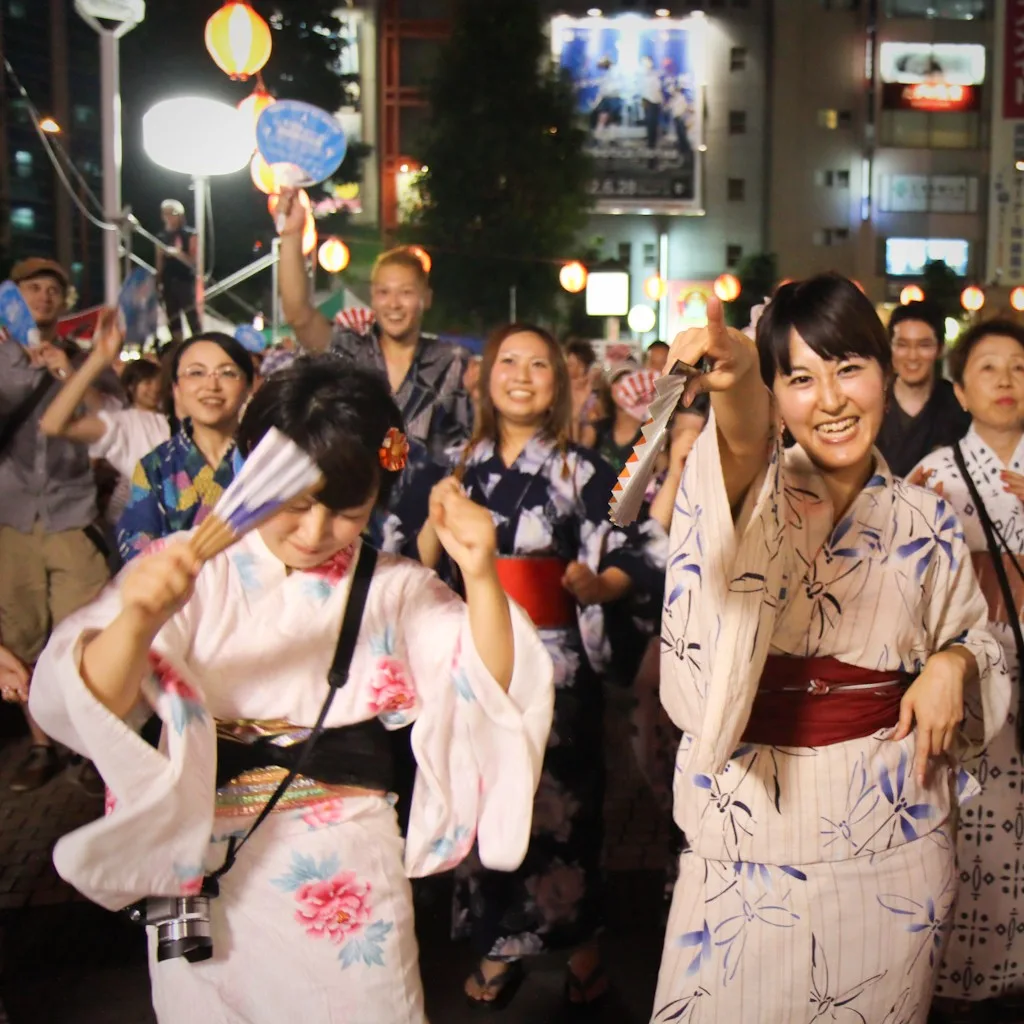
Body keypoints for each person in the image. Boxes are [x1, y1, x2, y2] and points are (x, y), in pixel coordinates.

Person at [29, 358, 555, 1024]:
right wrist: (135, 618)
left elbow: (487, 683)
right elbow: (83, 706)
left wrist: (481, 575)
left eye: (344, 512)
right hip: (206, 858)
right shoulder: (190, 564)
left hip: (347, 858)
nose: (313, 534)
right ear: (253, 470)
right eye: (295, 505)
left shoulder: (392, 586)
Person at [650, 276, 1009, 1022]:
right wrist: (740, 380)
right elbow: (742, 445)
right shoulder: (740, 486)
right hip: (745, 828)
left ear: (885, 370)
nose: (832, 399)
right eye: (799, 378)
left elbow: (983, 633)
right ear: (774, 394)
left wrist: (956, 661)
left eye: (849, 368)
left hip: (890, 838)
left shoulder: (928, 517)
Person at [414, 324, 665, 1011]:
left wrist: (604, 586)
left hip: (555, 663)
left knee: (565, 808)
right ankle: (497, 948)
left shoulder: (580, 469)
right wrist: (435, 519)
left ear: (559, 382)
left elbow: (644, 544)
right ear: (485, 376)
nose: (521, 375)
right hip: (478, 657)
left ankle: (581, 948)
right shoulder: (455, 466)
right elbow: (416, 561)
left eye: (537, 366)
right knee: (486, 797)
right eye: (507, 363)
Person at [909, 320, 1024, 1019]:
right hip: (977, 675)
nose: (1008, 380)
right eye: (990, 368)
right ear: (960, 387)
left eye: (1019, 365)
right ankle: (963, 979)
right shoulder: (935, 475)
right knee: (977, 824)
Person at [0, 258, 111, 792]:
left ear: (65, 302)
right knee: (22, 634)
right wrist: (24, 366)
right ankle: (41, 745)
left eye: (52, 289)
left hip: (71, 512)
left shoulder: (87, 358)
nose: (42, 297)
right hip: (11, 515)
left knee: (83, 632)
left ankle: (88, 746)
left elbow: (107, 416)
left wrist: (67, 368)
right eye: (31, 288)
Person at [274, 192, 471, 461]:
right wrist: (292, 234)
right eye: (383, 292)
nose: (394, 304)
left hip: (432, 501)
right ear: (373, 299)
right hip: (357, 498)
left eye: (406, 292)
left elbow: (480, 439)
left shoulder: (454, 362)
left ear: (426, 298)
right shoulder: (349, 350)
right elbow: (299, 315)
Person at [117, 333, 253, 562]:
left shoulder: (265, 457)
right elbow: (135, 544)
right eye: (196, 373)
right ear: (176, 388)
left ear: (249, 386)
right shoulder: (155, 466)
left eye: (228, 373)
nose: (211, 385)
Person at [40, 310, 169, 531]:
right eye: (146, 383)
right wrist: (92, 360)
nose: (153, 389)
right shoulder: (121, 419)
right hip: (133, 521)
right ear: (130, 386)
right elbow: (62, 418)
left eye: (157, 382)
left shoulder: (174, 419)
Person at [875, 300, 970, 477]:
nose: (912, 356)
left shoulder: (959, 406)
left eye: (924, 345)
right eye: (902, 345)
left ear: (940, 349)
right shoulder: (872, 401)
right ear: (890, 348)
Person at [156, 199, 200, 343]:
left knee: (191, 314)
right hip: (168, 281)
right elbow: (159, 263)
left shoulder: (190, 234)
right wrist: (158, 282)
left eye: (172, 213)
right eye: (166, 214)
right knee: (172, 316)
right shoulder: (161, 237)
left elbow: (194, 261)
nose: (169, 217)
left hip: (185, 280)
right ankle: (177, 345)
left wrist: (178, 253)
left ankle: (198, 342)